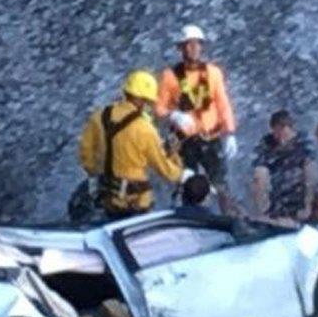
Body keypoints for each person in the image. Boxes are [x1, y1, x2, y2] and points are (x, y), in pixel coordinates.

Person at [77, 69, 189, 220]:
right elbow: (165, 169)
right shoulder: (145, 129)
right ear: (143, 100)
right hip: (136, 203)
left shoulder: (99, 116)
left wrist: (98, 173)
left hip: (107, 199)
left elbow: (86, 154)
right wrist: (183, 175)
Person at [155, 25, 238, 212]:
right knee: (188, 186)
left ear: (202, 47)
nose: (192, 48)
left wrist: (230, 132)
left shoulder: (213, 73)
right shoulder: (170, 76)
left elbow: (223, 104)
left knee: (221, 184)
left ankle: (231, 219)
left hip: (211, 137)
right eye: (187, 44)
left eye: (196, 44)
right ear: (181, 48)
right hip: (186, 141)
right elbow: (159, 108)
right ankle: (190, 220)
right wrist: (173, 115)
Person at [251, 109, 318, 223]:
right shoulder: (267, 143)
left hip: (298, 185)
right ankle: (264, 214)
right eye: (276, 132)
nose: (279, 137)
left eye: (283, 132)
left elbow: (309, 161)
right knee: (259, 174)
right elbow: (259, 163)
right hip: (276, 184)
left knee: (310, 168)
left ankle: (307, 208)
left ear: (290, 128)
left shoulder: (303, 141)